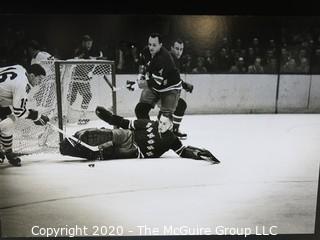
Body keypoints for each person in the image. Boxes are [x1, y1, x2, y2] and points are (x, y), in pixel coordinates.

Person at [59, 106, 220, 164]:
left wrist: (198, 153)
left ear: (171, 124)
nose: (162, 126)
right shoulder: (150, 124)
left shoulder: (172, 140)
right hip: (128, 136)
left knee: (103, 152)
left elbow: (183, 151)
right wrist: (109, 118)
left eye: (165, 124)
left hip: (136, 152)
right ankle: (71, 142)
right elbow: (125, 123)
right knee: (101, 135)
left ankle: (70, 149)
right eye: (161, 122)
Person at [0, 64, 50, 166]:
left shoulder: (20, 68)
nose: (40, 82)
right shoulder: (23, 84)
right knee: (9, 121)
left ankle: (8, 152)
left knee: (9, 122)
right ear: (31, 76)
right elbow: (19, 111)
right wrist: (36, 117)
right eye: (39, 79)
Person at [134, 33, 182, 122]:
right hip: (155, 86)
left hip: (170, 88)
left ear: (160, 45)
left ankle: (170, 133)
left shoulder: (164, 58)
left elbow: (156, 81)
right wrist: (140, 76)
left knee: (164, 119)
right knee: (140, 110)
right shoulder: (145, 51)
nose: (151, 47)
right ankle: (146, 133)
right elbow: (142, 65)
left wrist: (138, 85)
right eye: (149, 44)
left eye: (154, 45)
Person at [71, 34, 104, 124]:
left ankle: (64, 115)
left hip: (75, 77)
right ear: (83, 43)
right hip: (80, 76)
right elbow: (82, 59)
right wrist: (97, 58)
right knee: (87, 96)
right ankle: (82, 117)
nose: (89, 45)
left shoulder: (84, 51)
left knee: (72, 98)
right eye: (88, 43)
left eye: (91, 43)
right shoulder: (81, 51)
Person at [169, 39, 194, 140]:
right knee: (180, 105)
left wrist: (183, 84)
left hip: (165, 91)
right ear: (171, 48)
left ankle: (171, 130)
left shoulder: (173, 59)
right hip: (160, 91)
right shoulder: (170, 59)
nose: (179, 51)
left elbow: (174, 77)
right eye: (177, 48)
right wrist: (184, 85)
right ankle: (172, 131)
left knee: (178, 105)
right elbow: (171, 76)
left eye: (181, 49)